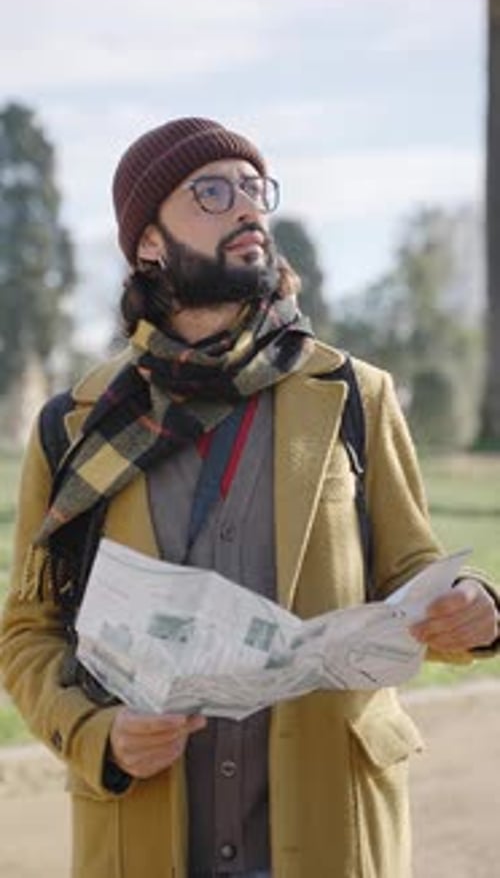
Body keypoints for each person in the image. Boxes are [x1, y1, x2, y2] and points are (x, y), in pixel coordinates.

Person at [0, 116, 498, 878]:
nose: (246, 207)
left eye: (253, 188)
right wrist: (98, 734)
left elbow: (413, 570)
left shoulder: (355, 397)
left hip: (331, 827)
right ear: (149, 245)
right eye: (212, 190)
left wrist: (466, 608)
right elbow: (30, 633)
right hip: (147, 836)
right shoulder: (72, 426)